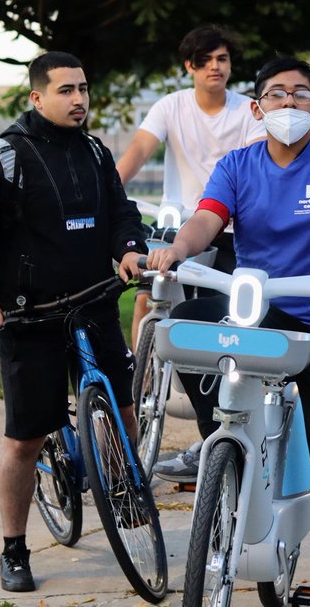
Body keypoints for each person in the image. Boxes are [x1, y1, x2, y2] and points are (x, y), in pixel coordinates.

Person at [145, 57, 310, 607]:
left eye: (301, 95)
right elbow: (206, 219)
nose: (289, 104)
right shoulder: (238, 164)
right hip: (261, 312)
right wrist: (176, 249)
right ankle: (218, 444)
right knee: (183, 328)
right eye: (276, 94)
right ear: (256, 108)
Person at [0, 52, 148, 593]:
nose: (79, 99)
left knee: (123, 406)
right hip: (27, 315)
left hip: (93, 301)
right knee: (25, 441)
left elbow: (120, 214)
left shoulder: (95, 151)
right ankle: (14, 549)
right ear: (36, 97)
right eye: (65, 90)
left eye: (83, 88)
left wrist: (129, 249)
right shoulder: (4, 158)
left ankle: (125, 488)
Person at [115, 24, 265, 485]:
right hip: (185, 229)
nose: (216, 67)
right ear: (190, 67)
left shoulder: (247, 111)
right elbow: (140, 148)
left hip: (235, 228)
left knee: (229, 329)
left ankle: (232, 434)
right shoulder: (171, 106)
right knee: (160, 307)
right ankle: (157, 400)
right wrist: (107, 192)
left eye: (223, 59)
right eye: (206, 61)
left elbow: (259, 160)